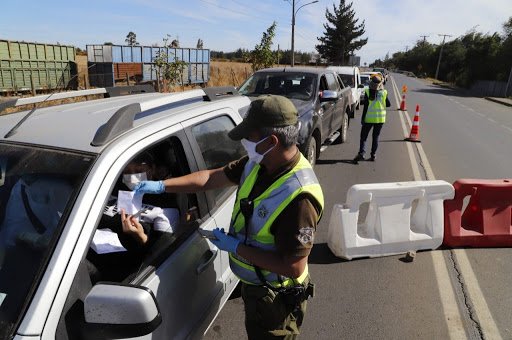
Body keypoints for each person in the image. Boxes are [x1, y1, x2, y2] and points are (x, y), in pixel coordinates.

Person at [134, 95, 324, 339]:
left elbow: (293, 267)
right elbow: (212, 178)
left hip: (276, 300)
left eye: (249, 138)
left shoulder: (300, 197)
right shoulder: (260, 162)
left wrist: (236, 247)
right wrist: (162, 186)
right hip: (257, 286)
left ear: (271, 141)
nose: (244, 142)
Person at [353, 73, 391, 163]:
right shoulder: (384, 92)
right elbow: (389, 104)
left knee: (363, 136)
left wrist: (363, 119)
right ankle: (373, 155)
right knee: (375, 137)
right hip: (380, 119)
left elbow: (365, 107)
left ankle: (361, 153)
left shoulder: (368, 91)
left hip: (369, 118)